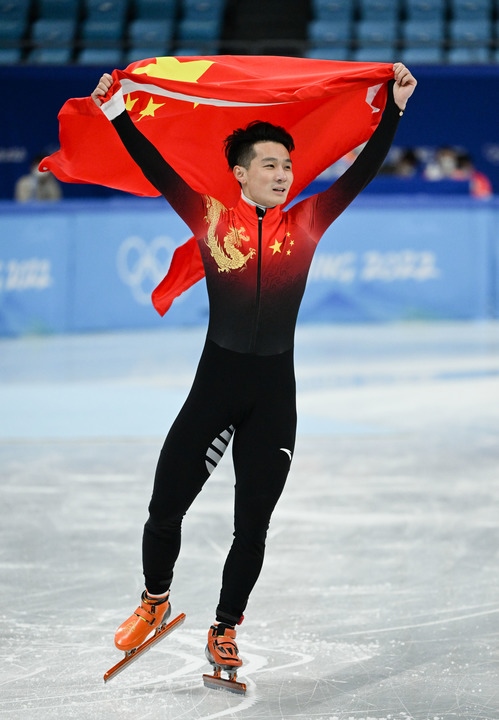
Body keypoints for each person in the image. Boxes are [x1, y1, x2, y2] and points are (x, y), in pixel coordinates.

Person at [91, 61, 417, 683]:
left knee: (253, 526)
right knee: (165, 507)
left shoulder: (309, 221)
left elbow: (361, 173)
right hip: (215, 388)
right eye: (269, 164)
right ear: (241, 173)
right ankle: (154, 601)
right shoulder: (210, 216)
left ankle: (225, 628)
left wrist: (395, 108)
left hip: (273, 395)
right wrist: (115, 113)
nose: (283, 174)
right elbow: (159, 170)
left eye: (287, 165)